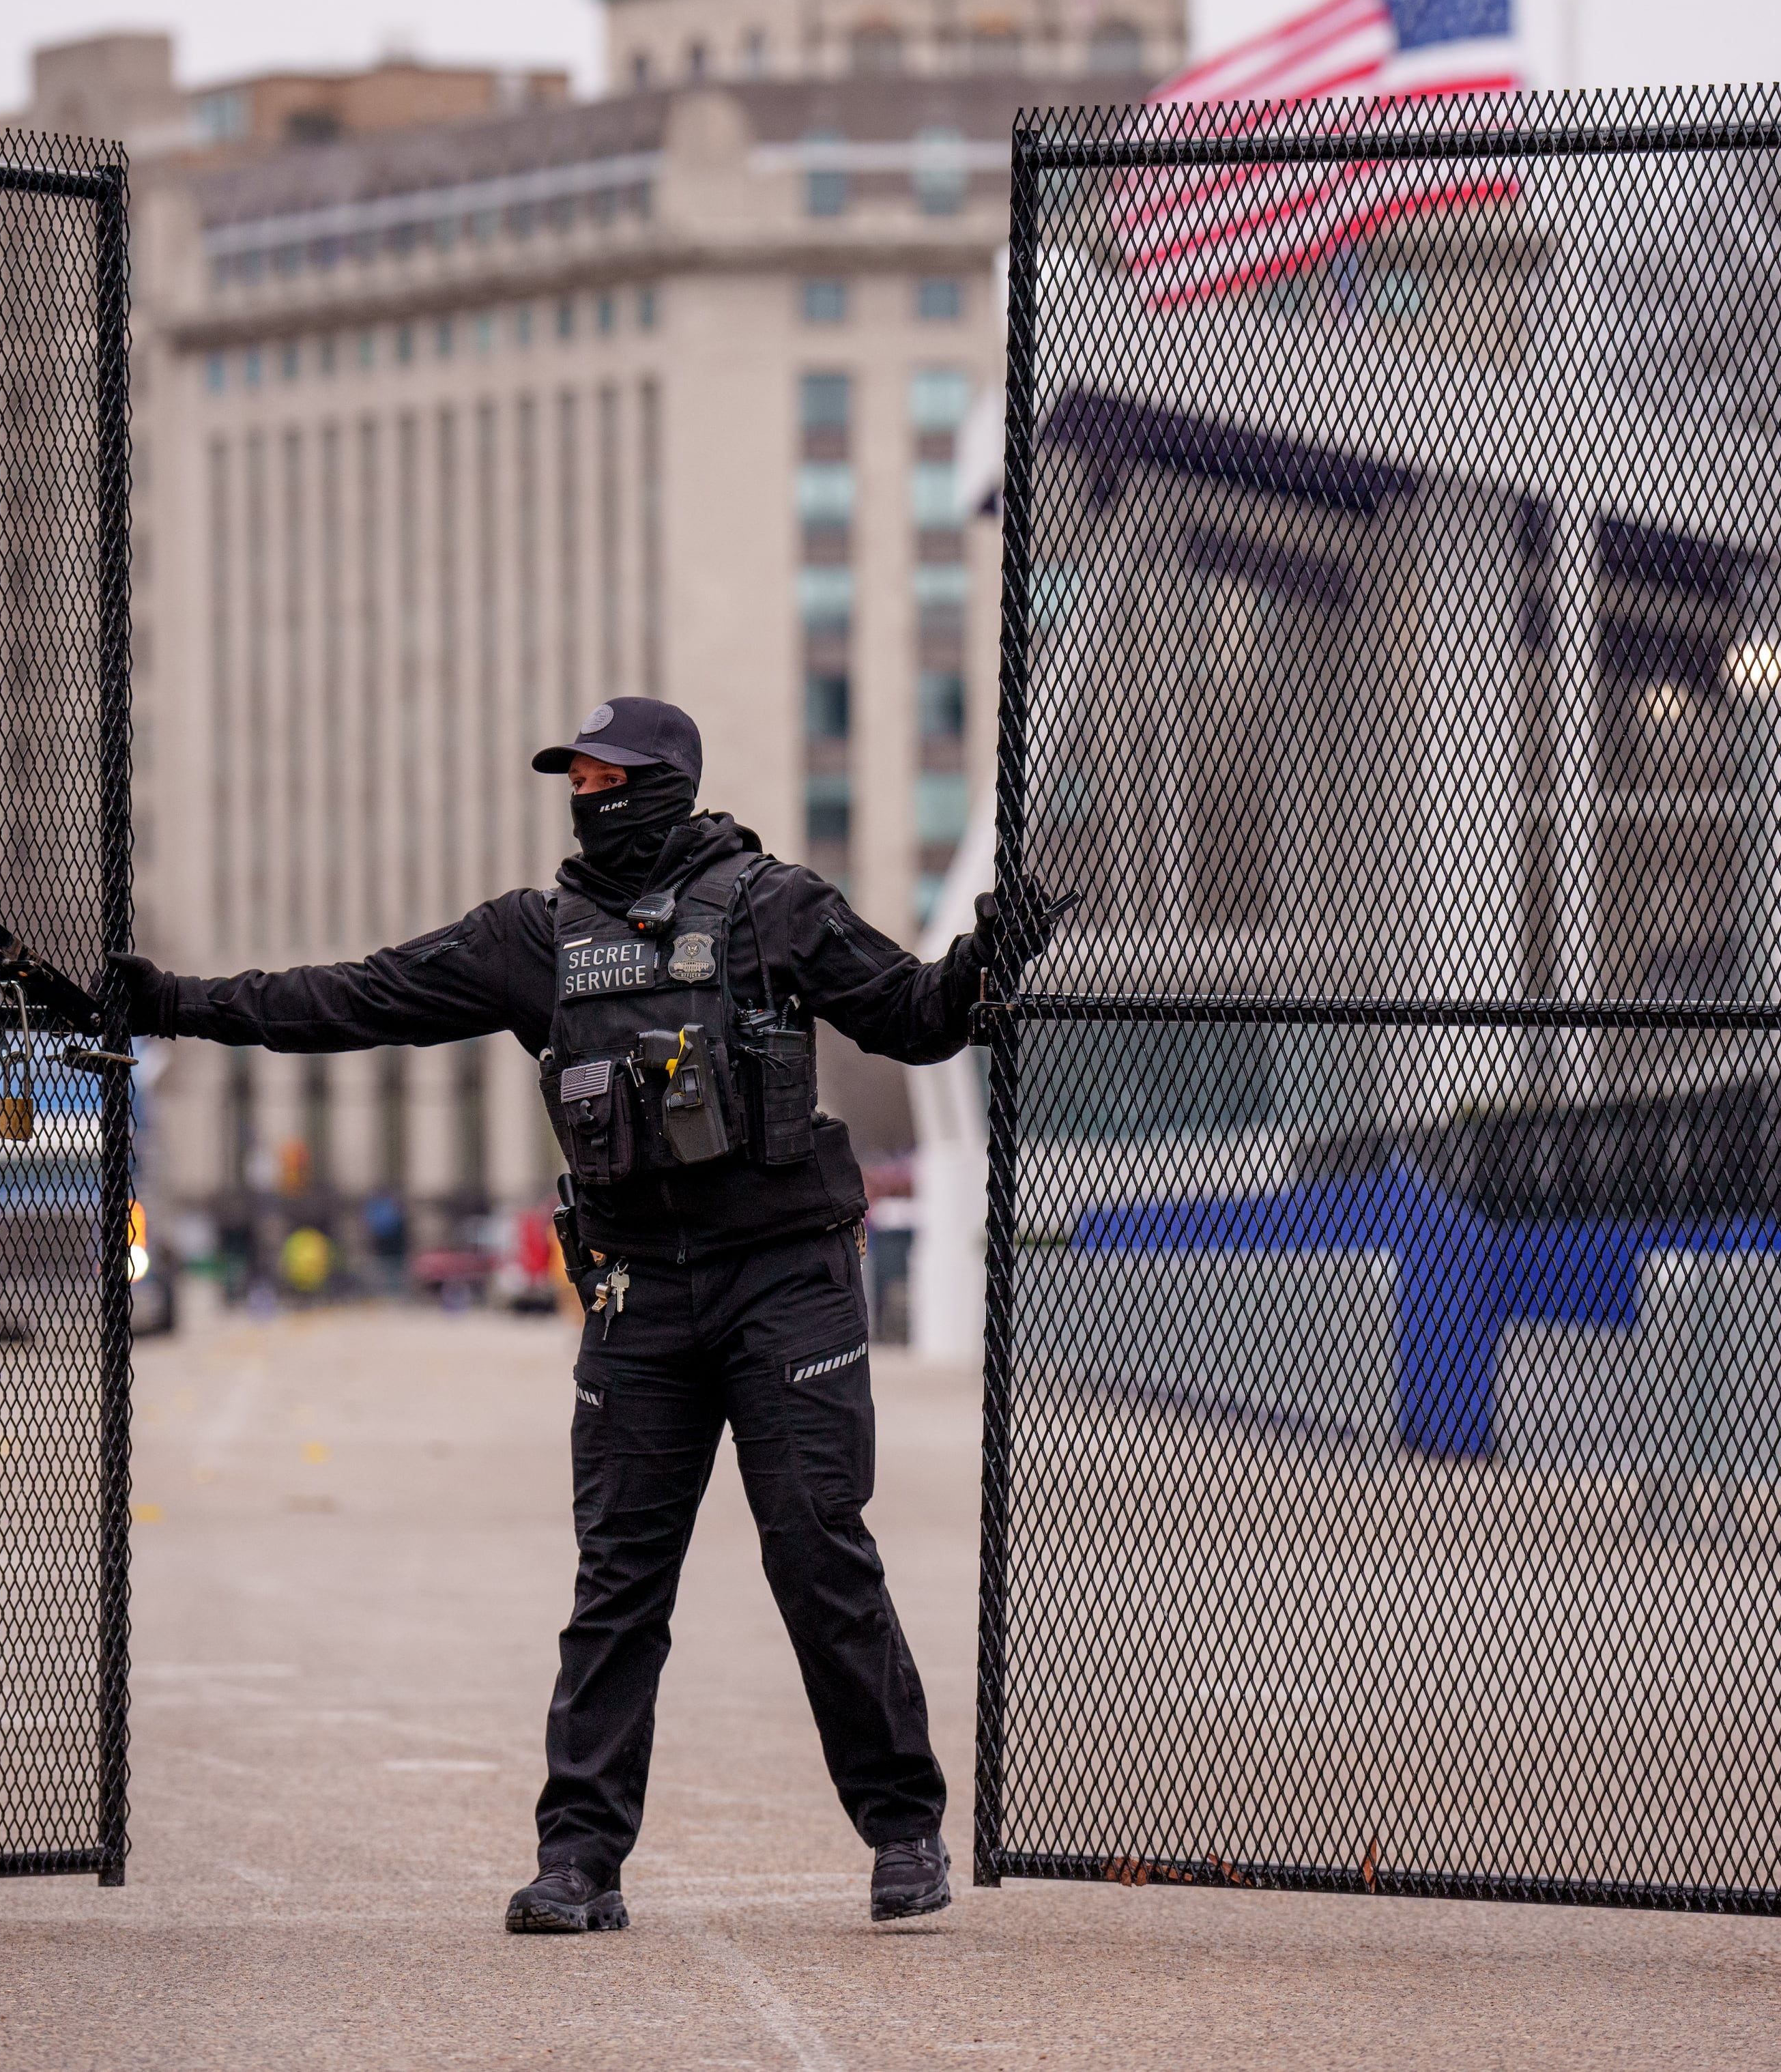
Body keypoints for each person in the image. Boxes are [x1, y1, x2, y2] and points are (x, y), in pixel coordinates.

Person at [102, 697, 1067, 1934]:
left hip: (788, 1280)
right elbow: (353, 997)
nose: (587, 798)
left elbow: (922, 1019)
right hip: (640, 1293)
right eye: (577, 780)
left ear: (667, 784)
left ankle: (902, 1827)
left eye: (609, 778)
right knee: (619, 1580)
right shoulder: (534, 939)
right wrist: (175, 1000)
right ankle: (580, 1859)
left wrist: (993, 961)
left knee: (817, 1550)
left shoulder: (778, 906)